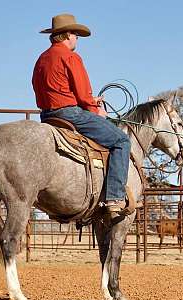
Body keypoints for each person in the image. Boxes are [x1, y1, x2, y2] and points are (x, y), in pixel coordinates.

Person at [32, 13, 131, 215]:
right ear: (67, 35)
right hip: (70, 114)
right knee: (121, 141)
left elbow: (44, 87)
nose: (77, 39)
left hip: (47, 115)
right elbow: (83, 93)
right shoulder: (70, 57)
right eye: (76, 34)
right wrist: (95, 110)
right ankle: (114, 198)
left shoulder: (41, 59)